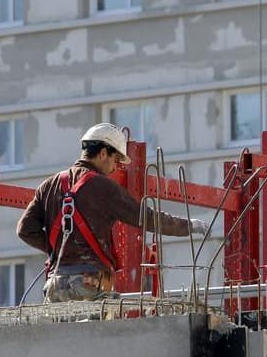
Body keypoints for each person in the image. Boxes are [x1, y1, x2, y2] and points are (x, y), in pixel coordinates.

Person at [17, 123, 208, 302]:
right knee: (101, 337)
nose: (115, 167)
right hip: (90, 284)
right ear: (102, 153)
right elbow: (147, 218)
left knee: (63, 337)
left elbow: (25, 230)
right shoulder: (103, 187)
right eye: (115, 160)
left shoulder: (48, 185)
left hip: (55, 286)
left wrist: (60, 251)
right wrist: (190, 226)